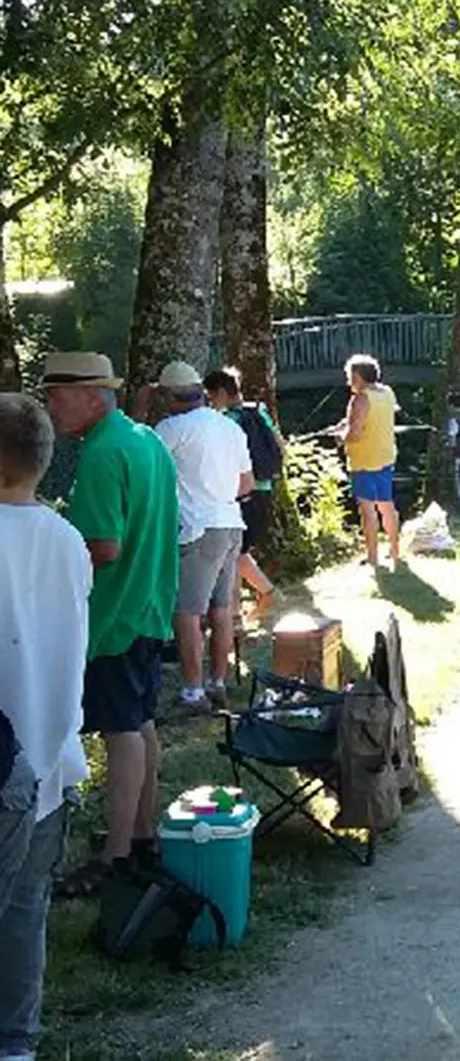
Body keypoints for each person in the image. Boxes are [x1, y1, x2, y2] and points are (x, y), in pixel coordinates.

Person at [41, 352, 177, 895]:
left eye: (58, 395)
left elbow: (103, 545)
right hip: (149, 606)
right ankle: (142, 836)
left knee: (121, 732)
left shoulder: (101, 453)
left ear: (93, 396)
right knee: (141, 724)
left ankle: (116, 856)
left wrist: (51, 537)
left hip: (114, 614)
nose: (50, 406)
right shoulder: (148, 442)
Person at [0, 394, 91, 1059]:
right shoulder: (65, 539)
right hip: (52, 745)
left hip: (6, 755)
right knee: (26, 910)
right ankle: (18, 1042)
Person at [154, 361, 252, 709]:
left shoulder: (171, 429)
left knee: (187, 613)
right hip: (231, 523)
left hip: (197, 527)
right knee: (222, 609)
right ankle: (217, 682)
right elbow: (246, 484)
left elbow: (146, 471)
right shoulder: (229, 428)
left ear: (168, 395)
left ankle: (193, 691)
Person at [204, 367, 281, 619]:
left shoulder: (228, 422)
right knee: (237, 552)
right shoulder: (259, 411)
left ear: (222, 393)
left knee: (234, 553)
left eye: (211, 396)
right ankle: (241, 609)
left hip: (241, 494)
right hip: (265, 490)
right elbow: (279, 446)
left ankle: (257, 598)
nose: (210, 402)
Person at [340, 354, 400, 569]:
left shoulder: (361, 398)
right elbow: (371, 419)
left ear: (357, 376)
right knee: (387, 505)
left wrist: (340, 437)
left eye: (349, 376)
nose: (348, 381)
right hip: (385, 456)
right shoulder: (387, 393)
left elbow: (355, 433)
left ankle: (373, 557)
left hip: (364, 459)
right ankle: (394, 551)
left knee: (367, 509)